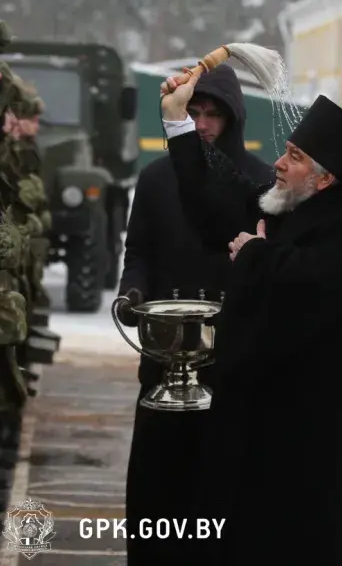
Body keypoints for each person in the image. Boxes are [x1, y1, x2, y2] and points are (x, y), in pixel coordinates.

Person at [160, 74, 342, 566]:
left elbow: (321, 287)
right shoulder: (292, 205)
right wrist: (177, 120)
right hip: (256, 426)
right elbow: (218, 201)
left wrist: (255, 256)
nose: (279, 163)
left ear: (326, 177)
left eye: (294, 157)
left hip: (309, 438)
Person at [115, 64, 272, 566]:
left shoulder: (260, 181)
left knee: (222, 480)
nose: (201, 124)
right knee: (158, 481)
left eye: (213, 115)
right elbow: (137, 250)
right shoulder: (156, 178)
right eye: (192, 112)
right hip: (163, 352)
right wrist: (132, 294)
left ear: (234, 119)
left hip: (229, 356)